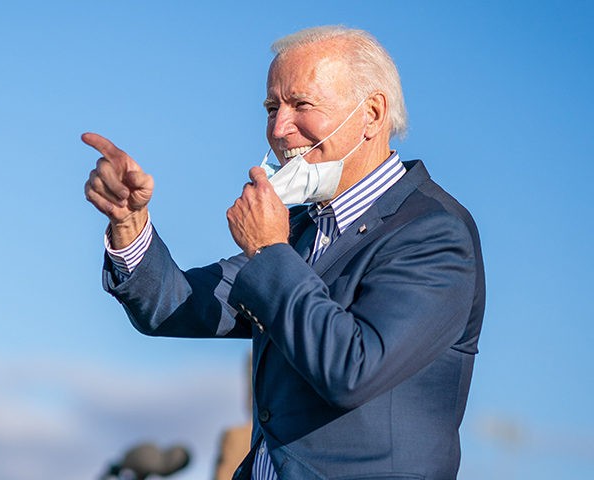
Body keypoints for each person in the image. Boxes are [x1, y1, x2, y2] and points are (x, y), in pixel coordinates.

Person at [83, 25, 485, 480]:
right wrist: (128, 221)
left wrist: (268, 248)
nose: (279, 128)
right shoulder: (302, 230)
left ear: (372, 114)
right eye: (273, 108)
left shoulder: (433, 232)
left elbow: (352, 370)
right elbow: (175, 306)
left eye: (301, 105)